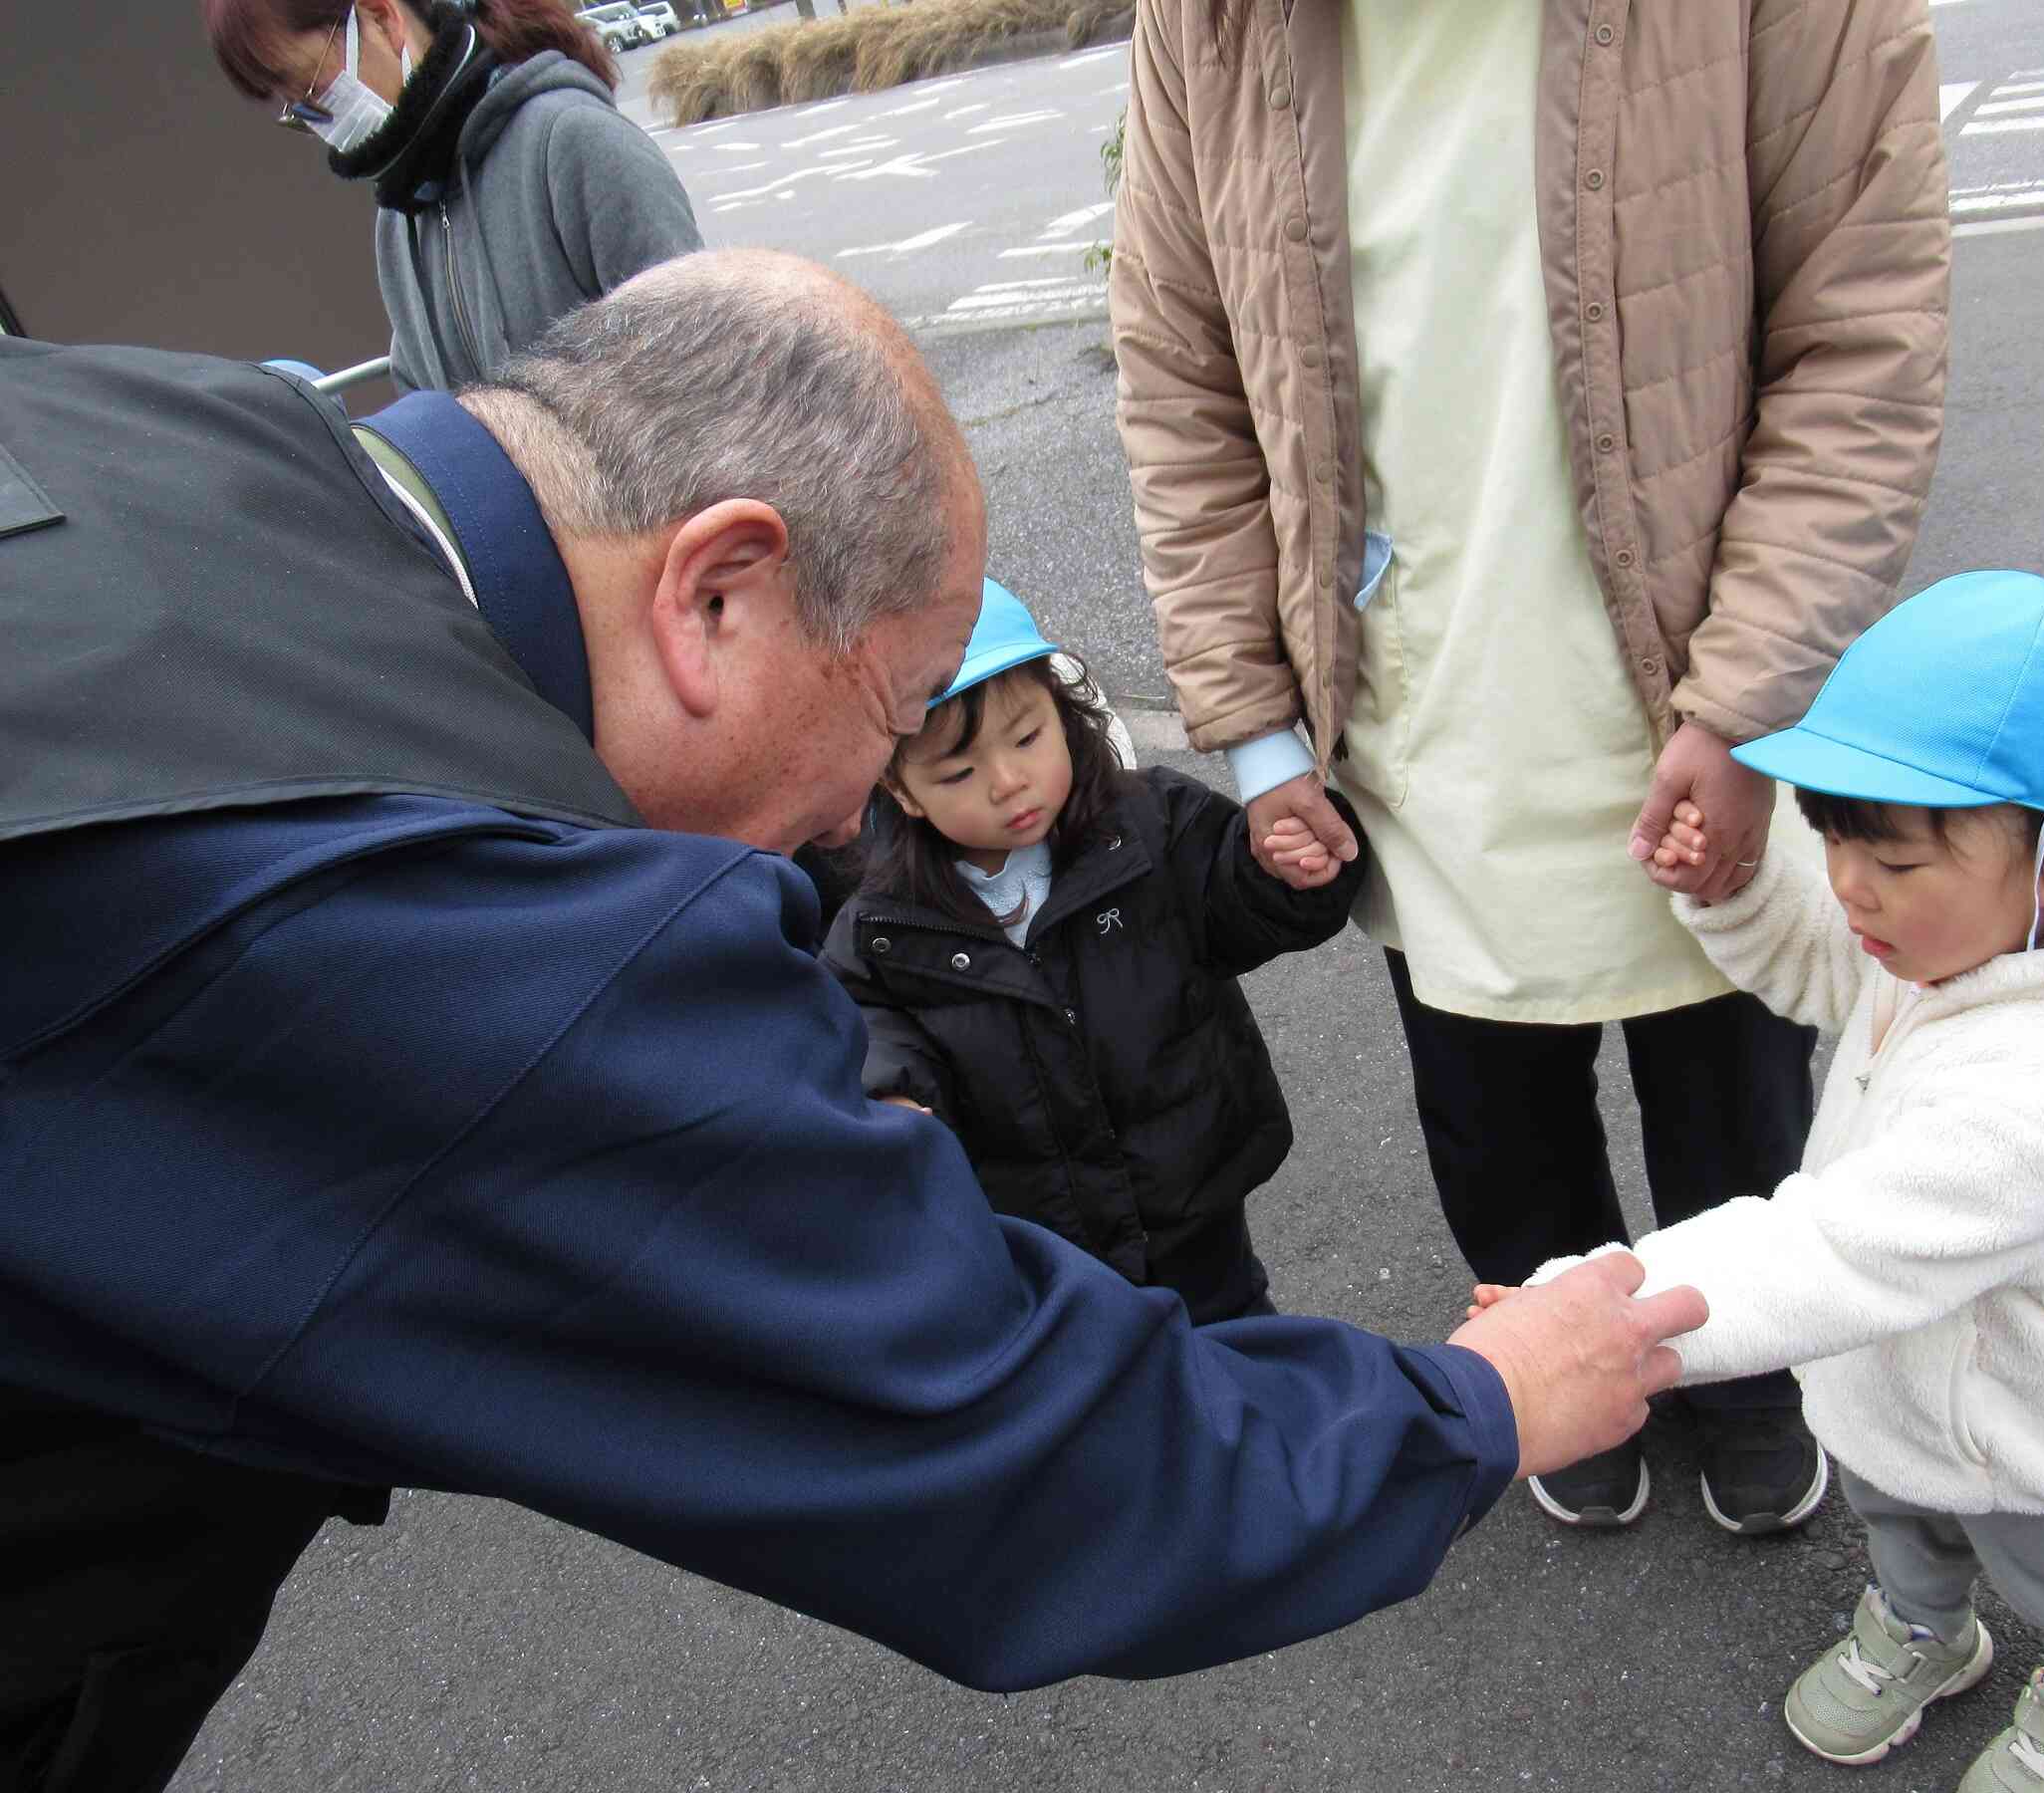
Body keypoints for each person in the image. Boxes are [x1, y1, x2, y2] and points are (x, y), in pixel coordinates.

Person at [0, 249, 1705, 1792]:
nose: (845, 822)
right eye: (893, 714)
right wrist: (1476, 1405)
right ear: (717, 591)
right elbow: (1024, 1453)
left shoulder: (156, 422)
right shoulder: (475, 943)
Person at [1110, 1, 1951, 1533]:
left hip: (1690, 688)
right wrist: (1250, 722)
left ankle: (1750, 1375)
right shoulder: (1211, 17)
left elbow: (1859, 332)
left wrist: (1750, 697)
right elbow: (1184, 377)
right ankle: (1553, 1374)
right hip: (1410, 704)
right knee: (1494, 1109)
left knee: (1736, 1097)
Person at [1481, 571, 2044, 1793]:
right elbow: (1827, 965)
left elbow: (1827, 1250)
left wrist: (1592, 1300)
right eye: (1830, 839)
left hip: (2040, 1431)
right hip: (1900, 1376)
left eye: (1892, 859)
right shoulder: (1959, 941)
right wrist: (1733, 886)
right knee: (1903, 1517)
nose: (1849, 887)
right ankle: (1929, 1631)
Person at [823, 581, 1365, 1326]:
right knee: (1100, 1410)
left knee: (1249, 1369)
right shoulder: (885, 926)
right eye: (958, 772)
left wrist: (1281, 872)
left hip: (1194, 1211)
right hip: (1039, 1252)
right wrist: (890, 1094)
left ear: (1062, 708)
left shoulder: (1145, 824)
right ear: (902, 789)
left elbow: (1235, 902)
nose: (1009, 781)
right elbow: (866, 1027)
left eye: (1026, 738)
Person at [204, 0, 701, 391]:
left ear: (381, 18)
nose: (319, 123)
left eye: (312, 91)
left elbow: (701, 373)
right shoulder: (401, 217)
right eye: (297, 111)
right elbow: (421, 393)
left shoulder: (574, 143)